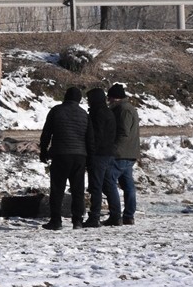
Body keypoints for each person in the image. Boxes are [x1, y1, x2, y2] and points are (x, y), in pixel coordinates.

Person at [38, 87, 92, 230]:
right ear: (79, 99)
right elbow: (89, 138)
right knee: (78, 190)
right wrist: (89, 158)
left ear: (65, 97)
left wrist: (43, 151)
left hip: (60, 154)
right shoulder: (84, 114)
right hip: (79, 156)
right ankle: (77, 220)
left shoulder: (56, 111)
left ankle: (56, 221)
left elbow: (46, 133)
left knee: (57, 189)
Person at [84, 87, 119, 228]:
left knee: (96, 186)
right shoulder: (109, 112)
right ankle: (116, 215)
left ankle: (94, 217)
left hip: (98, 154)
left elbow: (95, 136)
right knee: (109, 185)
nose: (88, 101)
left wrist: (90, 152)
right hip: (109, 153)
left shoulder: (97, 113)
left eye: (89, 99)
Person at [108, 83, 140, 226]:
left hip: (121, 153)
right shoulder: (128, 108)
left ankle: (116, 215)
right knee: (128, 185)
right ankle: (128, 215)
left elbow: (123, 132)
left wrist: (113, 149)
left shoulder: (123, 110)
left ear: (115, 98)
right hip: (130, 152)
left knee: (109, 181)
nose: (108, 101)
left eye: (110, 98)